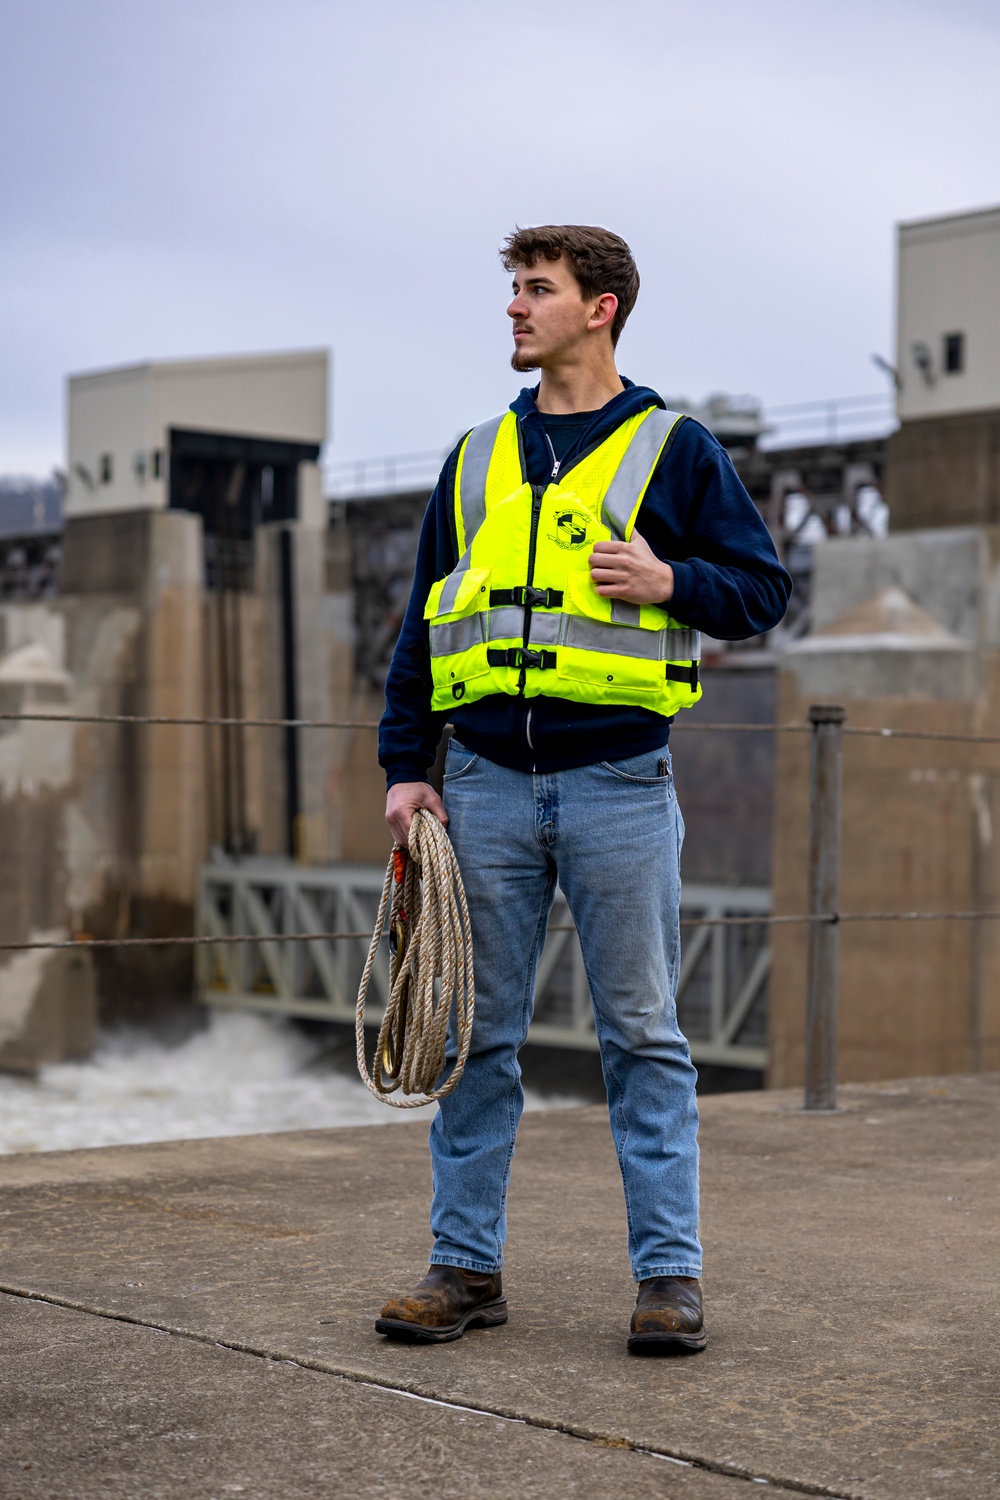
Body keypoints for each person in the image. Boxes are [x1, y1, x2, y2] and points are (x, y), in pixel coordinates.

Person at [374, 224, 790, 1353]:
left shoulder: (674, 449)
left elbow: (761, 590)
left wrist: (672, 578)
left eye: (537, 289)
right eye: (512, 288)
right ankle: (462, 1270)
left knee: (643, 1038)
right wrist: (407, 767)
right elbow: (421, 626)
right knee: (471, 1037)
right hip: (485, 789)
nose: (515, 307)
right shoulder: (472, 460)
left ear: (599, 309)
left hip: (617, 782)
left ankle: (668, 1279)